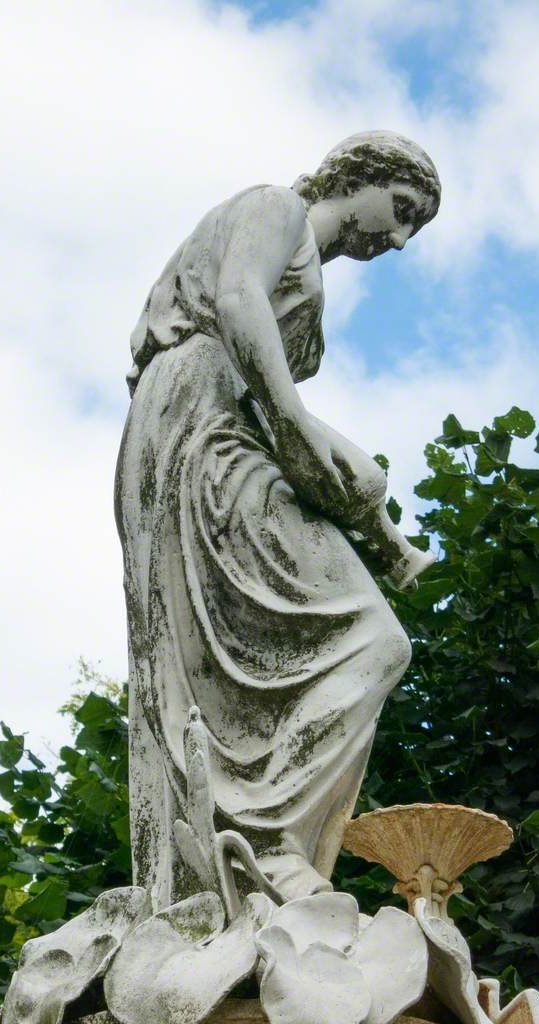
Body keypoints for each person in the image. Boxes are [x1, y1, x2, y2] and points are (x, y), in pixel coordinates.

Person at [115, 131, 441, 910]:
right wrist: (300, 424)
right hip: (200, 428)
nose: (394, 239)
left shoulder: (303, 274)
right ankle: (264, 841)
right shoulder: (275, 210)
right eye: (399, 210)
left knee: (356, 644)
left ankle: (258, 847)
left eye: (411, 231)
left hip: (226, 432)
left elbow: (276, 406)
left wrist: (339, 473)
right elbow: (236, 301)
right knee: (371, 638)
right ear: (359, 175)